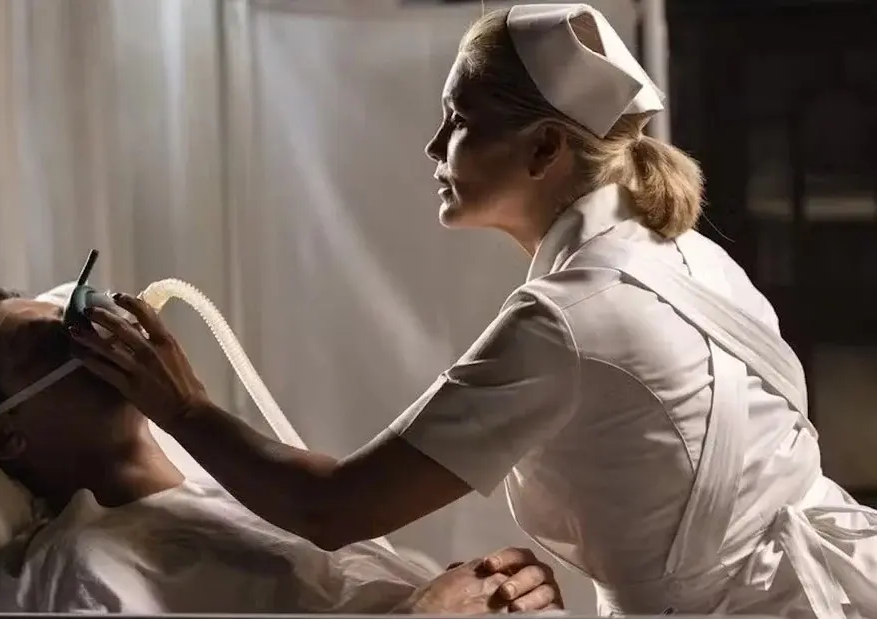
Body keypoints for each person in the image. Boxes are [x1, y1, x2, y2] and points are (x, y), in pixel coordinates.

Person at [62, 3, 877, 618]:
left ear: (545, 147)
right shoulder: (687, 253)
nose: (433, 146)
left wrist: (183, 405)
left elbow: (333, 507)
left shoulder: (567, 318)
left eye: (459, 120)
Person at [0, 286, 563, 614]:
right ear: (4, 435)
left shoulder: (245, 489)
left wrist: (498, 590)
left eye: (78, 317)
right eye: (51, 343)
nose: (97, 335)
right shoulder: (78, 573)